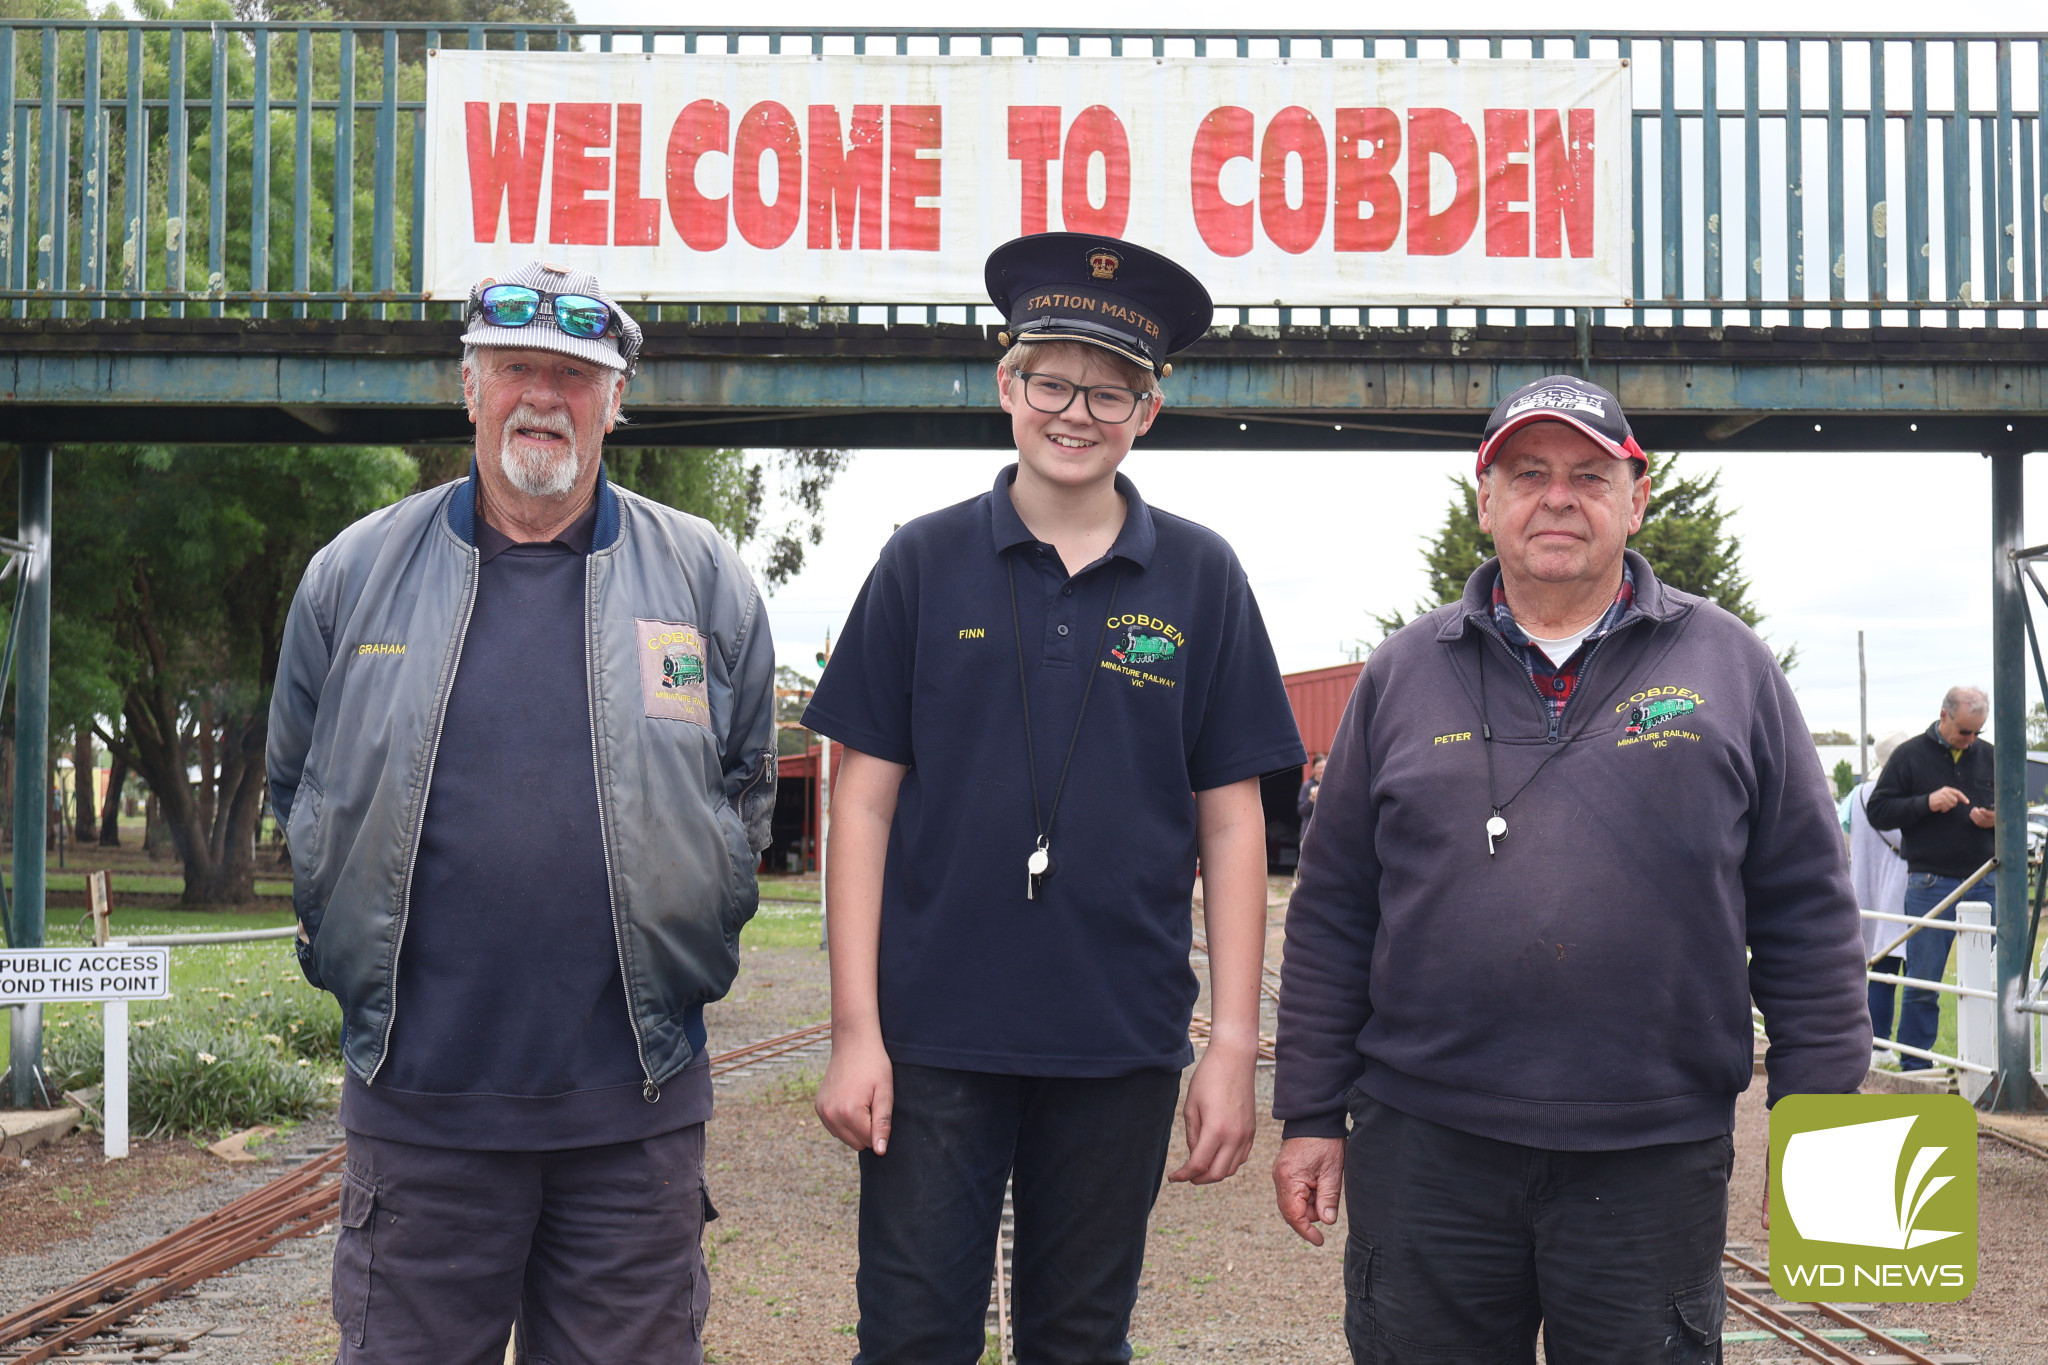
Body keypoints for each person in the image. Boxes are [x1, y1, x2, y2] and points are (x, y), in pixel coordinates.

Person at [1271, 374, 1870, 1365]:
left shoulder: (1730, 666)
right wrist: (1307, 1112)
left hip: (1651, 1149)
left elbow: (1805, 906)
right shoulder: (1400, 672)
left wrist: (1819, 1129)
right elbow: (1334, 911)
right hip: (1425, 1145)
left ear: (1635, 499)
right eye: (1527, 473)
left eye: (1589, 476)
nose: (1557, 497)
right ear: (1485, 500)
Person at [804, 232, 1305, 1365]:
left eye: (1110, 391)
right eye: (1051, 382)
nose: (1074, 413)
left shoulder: (1202, 577)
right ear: (1004, 384)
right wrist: (855, 1034)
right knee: (909, 1334)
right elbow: (862, 805)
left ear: (1148, 411)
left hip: (1117, 1042)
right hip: (933, 1036)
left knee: (1079, 1341)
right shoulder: (922, 564)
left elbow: (1230, 823)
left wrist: (1231, 1045)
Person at [268, 261, 778, 1365]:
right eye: (515, 370)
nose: (541, 396)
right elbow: (298, 788)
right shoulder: (352, 577)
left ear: (612, 402)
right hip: (420, 1116)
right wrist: (337, 953)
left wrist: (703, 937)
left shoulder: (702, 581)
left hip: (631, 1123)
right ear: (468, 386)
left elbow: (744, 795)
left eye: (572, 375)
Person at [1865, 687, 1996, 1071]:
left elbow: (2014, 804)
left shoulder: (1989, 756)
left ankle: (1988, 1065)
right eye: (1964, 731)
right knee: (1924, 983)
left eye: (1977, 732)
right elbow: (1879, 810)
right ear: (1944, 716)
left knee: (1991, 983)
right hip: (1929, 881)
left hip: (1984, 878)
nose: (1970, 740)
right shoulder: (1909, 756)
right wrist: (1926, 802)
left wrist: (1996, 816)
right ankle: (1916, 1065)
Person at [1841, 736, 1908, 1068]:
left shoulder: (1859, 794)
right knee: (1896, 968)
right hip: (1898, 885)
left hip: (1865, 885)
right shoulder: (1901, 791)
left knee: (1876, 966)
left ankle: (1873, 1041)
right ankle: (1883, 1045)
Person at [1297, 754, 1327, 842]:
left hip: (1326, 834)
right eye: (1319, 768)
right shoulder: (1307, 786)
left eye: (1324, 767)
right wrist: (1311, 800)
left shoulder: (1332, 786)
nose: (1322, 771)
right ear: (1313, 770)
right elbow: (1301, 810)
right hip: (1309, 834)